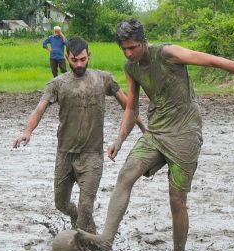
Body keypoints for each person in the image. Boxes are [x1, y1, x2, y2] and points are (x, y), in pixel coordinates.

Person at [77, 19, 234, 251]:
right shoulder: (131, 68)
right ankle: (106, 241)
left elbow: (212, 60)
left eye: (133, 47)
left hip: (185, 133)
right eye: (124, 49)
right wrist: (120, 139)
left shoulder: (167, 53)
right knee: (125, 175)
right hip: (157, 132)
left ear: (144, 42)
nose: (129, 53)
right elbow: (131, 109)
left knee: (176, 199)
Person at [13, 37, 146, 234]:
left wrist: (144, 128)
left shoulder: (103, 79)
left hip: (92, 155)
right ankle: (76, 220)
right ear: (67, 57)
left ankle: (91, 244)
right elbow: (39, 109)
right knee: (61, 204)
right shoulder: (57, 84)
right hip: (65, 154)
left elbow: (128, 106)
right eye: (74, 60)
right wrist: (27, 132)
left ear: (89, 56)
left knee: (86, 207)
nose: (79, 64)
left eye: (83, 59)